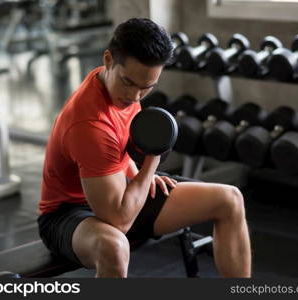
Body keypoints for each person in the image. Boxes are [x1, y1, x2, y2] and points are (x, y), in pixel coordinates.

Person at [37, 18, 251, 278]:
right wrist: (151, 164)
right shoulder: (89, 125)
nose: (134, 97)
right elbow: (119, 221)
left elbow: (119, 146)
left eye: (146, 87)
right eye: (128, 83)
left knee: (230, 199)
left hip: (117, 190)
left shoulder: (114, 83)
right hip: (68, 214)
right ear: (108, 60)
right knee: (113, 247)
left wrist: (135, 172)